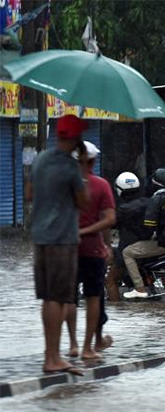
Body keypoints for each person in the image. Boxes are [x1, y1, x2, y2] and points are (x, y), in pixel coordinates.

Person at [25, 114, 90, 375]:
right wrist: (83, 168)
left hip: (40, 237)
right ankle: (53, 359)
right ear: (75, 139)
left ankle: (49, 355)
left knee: (47, 298)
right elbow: (84, 203)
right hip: (62, 239)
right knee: (59, 298)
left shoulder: (40, 159)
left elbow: (29, 194)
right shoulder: (71, 168)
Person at [65, 141, 115, 361]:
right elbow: (109, 220)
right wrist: (102, 243)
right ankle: (88, 347)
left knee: (69, 298)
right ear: (93, 161)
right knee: (93, 296)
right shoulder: (101, 185)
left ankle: (73, 345)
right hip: (92, 249)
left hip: (66, 248)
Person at [122, 168, 165, 298]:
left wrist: (144, 236)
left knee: (127, 252)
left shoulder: (156, 199)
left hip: (164, 243)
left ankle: (139, 289)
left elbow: (149, 228)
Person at [107, 172, 149, 301]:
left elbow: (110, 224)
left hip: (129, 248)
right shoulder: (148, 202)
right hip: (150, 247)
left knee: (110, 280)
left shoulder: (123, 210)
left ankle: (116, 311)